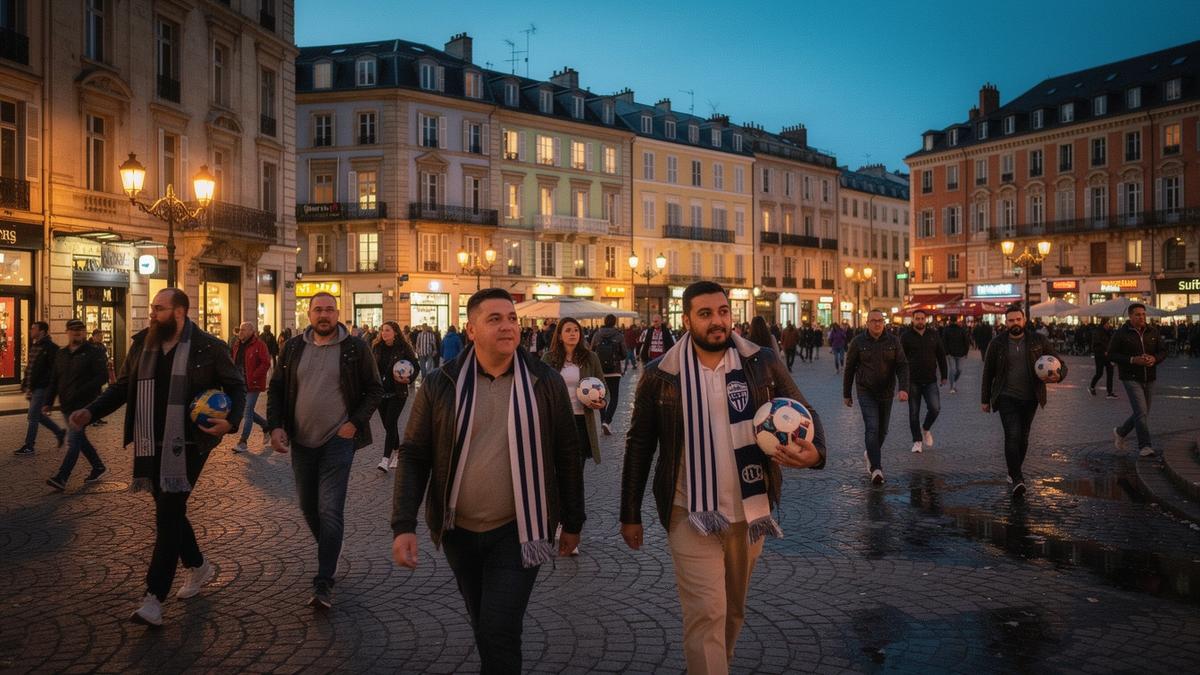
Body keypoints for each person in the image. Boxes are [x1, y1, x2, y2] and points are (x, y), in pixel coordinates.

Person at [620, 281, 826, 675]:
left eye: (723, 312)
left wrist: (816, 454)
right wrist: (630, 511)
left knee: (731, 611)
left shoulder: (760, 361)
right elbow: (639, 445)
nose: (718, 322)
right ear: (688, 319)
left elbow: (804, 410)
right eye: (706, 314)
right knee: (706, 612)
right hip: (689, 510)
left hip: (749, 511)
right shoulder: (660, 374)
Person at [391, 288, 584, 674]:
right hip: (458, 529)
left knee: (499, 628)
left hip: (521, 529)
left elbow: (567, 453)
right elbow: (414, 454)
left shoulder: (543, 381)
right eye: (494, 319)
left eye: (511, 318)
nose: (507, 326)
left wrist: (573, 521)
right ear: (471, 330)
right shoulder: (440, 382)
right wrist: (403, 524)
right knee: (483, 621)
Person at [71, 288, 245, 625]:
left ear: (180, 313)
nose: (152, 314)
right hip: (150, 442)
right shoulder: (142, 344)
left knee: (168, 512)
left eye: (159, 309)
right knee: (169, 510)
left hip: (190, 444)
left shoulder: (209, 346)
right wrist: (90, 413)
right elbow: (122, 388)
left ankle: (153, 597)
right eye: (152, 308)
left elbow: (236, 385)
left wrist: (232, 421)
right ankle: (198, 565)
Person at [267, 292, 383, 609]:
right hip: (301, 440)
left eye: (330, 310)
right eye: (318, 309)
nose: (324, 315)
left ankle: (323, 581)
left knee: (330, 509)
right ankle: (331, 546)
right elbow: (277, 387)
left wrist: (354, 424)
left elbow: (375, 389)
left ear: (337, 314)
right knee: (308, 506)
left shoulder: (355, 348)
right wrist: (275, 426)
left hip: (338, 440)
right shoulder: (292, 347)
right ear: (308, 313)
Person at [981, 305, 1065, 497]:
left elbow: (1060, 363)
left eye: (1018, 319)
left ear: (1024, 320)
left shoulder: (1038, 340)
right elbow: (988, 373)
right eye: (1010, 320)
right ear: (1006, 322)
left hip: (1030, 397)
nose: (1015, 323)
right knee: (1012, 434)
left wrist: (1058, 376)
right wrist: (985, 399)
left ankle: (1013, 470)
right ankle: (1018, 479)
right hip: (1005, 396)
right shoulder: (997, 343)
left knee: (1024, 437)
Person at [545, 317, 605, 549]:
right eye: (568, 330)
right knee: (557, 474)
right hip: (557, 423)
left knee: (574, 476)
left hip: (580, 423)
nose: (572, 334)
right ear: (559, 335)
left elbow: (602, 385)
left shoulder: (590, 358)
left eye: (576, 330)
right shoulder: (549, 359)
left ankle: (571, 526)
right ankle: (558, 520)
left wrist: (601, 400)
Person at [843, 310, 909, 484]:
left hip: (886, 391)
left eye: (880, 320)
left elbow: (902, 366)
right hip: (866, 391)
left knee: (883, 430)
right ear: (867, 323)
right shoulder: (858, 342)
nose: (877, 324)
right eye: (873, 321)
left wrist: (903, 388)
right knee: (872, 427)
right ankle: (876, 469)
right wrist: (846, 394)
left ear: (884, 322)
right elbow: (849, 368)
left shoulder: (894, 341)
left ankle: (870, 452)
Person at [44, 319, 110, 490]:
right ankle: (98, 466)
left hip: (84, 405)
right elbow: (54, 379)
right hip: (66, 405)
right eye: (73, 329)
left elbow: (102, 377)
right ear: (67, 332)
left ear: (84, 332)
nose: (77, 332)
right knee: (80, 439)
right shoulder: (61, 354)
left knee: (74, 440)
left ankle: (62, 477)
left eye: (80, 329)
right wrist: (48, 402)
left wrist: (84, 391)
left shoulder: (93, 352)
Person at [1108, 303, 1168, 457]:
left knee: (1143, 412)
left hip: (1150, 377)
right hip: (1130, 377)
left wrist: (1154, 358)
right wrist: (1133, 360)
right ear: (1130, 316)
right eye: (1138, 315)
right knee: (1141, 412)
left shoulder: (1152, 331)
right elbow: (1111, 355)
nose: (1141, 317)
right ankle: (1145, 446)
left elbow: (1163, 351)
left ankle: (1121, 432)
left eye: (1143, 314)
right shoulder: (1121, 333)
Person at [372, 321, 420, 472]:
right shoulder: (376, 347)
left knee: (391, 422)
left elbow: (416, 366)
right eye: (382, 330)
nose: (383, 333)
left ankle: (385, 460)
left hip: (398, 393)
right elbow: (372, 368)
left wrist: (409, 379)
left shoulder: (403, 348)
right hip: (381, 394)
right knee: (388, 426)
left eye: (387, 330)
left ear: (395, 332)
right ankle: (398, 452)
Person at [900, 310, 948, 454]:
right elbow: (901, 360)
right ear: (913, 320)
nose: (920, 321)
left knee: (935, 408)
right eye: (917, 319)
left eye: (922, 319)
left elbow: (941, 355)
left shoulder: (933, 335)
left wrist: (944, 375)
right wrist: (901, 382)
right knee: (913, 412)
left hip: (930, 380)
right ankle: (917, 441)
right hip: (912, 380)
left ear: (925, 320)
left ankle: (926, 428)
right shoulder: (906, 336)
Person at [14, 321, 65, 455]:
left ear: (41, 331)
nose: (31, 331)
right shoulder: (35, 346)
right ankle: (59, 432)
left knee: (32, 416)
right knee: (38, 416)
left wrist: (49, 388)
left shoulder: (51, 348)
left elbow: (55, 370)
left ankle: (29, 446)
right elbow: (30, 367)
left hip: (43, 387)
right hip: (34, 386)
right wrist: (26, 383)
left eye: (33, 328)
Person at [231, 322, 271, 453]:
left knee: (247, 411)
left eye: (243, 330)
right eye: (239, 330)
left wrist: (254, 376)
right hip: (239, 384)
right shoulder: (237, 344)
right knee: (245, 410)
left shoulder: (259, 345)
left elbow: (266, 363)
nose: (240, 332)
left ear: (251, 331)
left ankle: (243, 442)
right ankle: (266, 426)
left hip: (253, 384)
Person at [590, 313, 627, 435]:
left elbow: (591, 352)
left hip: (600, 371)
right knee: (614, 397)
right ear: (614, 322)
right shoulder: (619, 335)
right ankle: (607, 421)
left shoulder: (597, 334)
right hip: (614, 371)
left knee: (601, 397)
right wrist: (616, 358)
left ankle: (602, 422)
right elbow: (624, 354)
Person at [941, 316, 970, 393]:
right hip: (951, 354)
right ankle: (952, 387)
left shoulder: (961, 330)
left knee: (958, 370)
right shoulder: (947, 330)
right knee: (954, 370)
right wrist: (946, 352)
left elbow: (966, 341)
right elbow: (944, 341)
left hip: (960, 354)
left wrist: (966, 352)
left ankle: (954, 382)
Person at [1089, 319, 1117, 398]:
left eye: (1109, 323)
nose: (1109, 325)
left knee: (1110, 372)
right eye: (1107, 323)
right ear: (1103, 324)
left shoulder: (1109, 332)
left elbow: (1111, 342)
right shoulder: (1098, 332)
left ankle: (1110, 392)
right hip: (1100, 355)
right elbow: (1096, 343)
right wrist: (1104, 350)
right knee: (1099, 373)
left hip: (1108, 355)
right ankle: (1092, 387)